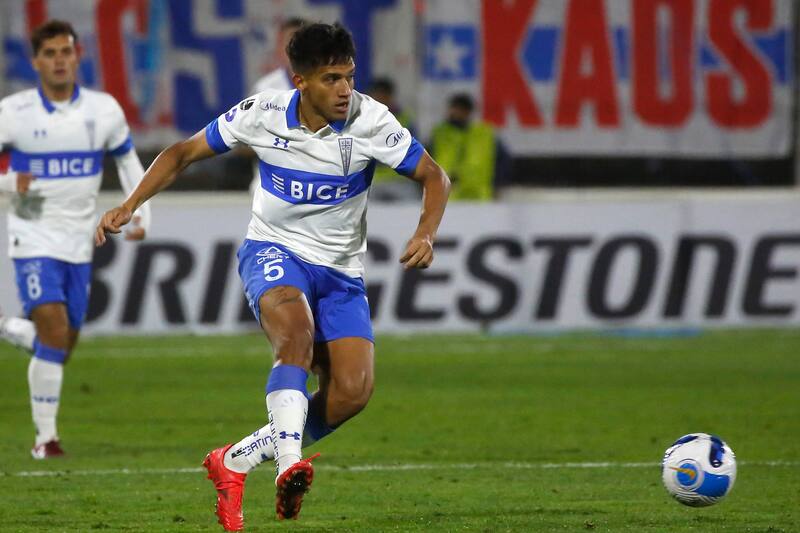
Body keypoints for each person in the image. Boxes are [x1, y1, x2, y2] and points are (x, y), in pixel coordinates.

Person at [95, 22, 450, 529]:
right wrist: (129, 203)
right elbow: (181, 153)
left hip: (341, 270)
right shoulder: (261, 114)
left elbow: (434, 176)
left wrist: (426, 233)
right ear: (300, 81)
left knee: (351, 393)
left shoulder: (372, 120)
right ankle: (288, 465)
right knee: (296, 337)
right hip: (273, 250)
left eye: (349, 77)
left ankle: (236, 460)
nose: (345, 90)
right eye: (331, 79)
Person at [0, 20, 151, 459]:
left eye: (66, 51)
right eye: (50, 53)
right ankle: (45, 441)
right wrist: (8, 182)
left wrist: (140, 211)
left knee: (60, 346)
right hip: (32, 236)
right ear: (35, 62)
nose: (59, 61)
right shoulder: (13, 113)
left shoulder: (103, 111)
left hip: (81, 242)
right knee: (52, 330)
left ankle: (7, 327)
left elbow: (128, 163)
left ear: (77, 56)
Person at [248, 18, 306, 194]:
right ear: (279, 47)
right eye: (289, 41)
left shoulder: (328, 86)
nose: (295, 47)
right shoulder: (265, 88)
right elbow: (250, 136)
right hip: (271, 183)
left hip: (317, 183)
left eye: (301, 40)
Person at [430, 93, 500, 201]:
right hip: (447, 195)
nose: (457, 113)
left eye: (461, 109)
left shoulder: (484, 133)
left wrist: (498, 185)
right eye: (455, 108)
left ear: (468, 112)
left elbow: (501, 161)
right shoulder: (439, 133)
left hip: (479, 195)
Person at [368, 77, 420, 202]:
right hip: (373, 180)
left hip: (401, 180)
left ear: (391, 96)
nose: (380, 99)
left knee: (413, 207)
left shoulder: (405, 119)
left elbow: (413, 151)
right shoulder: (362, 120)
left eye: (384, 95)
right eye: (377, 95)